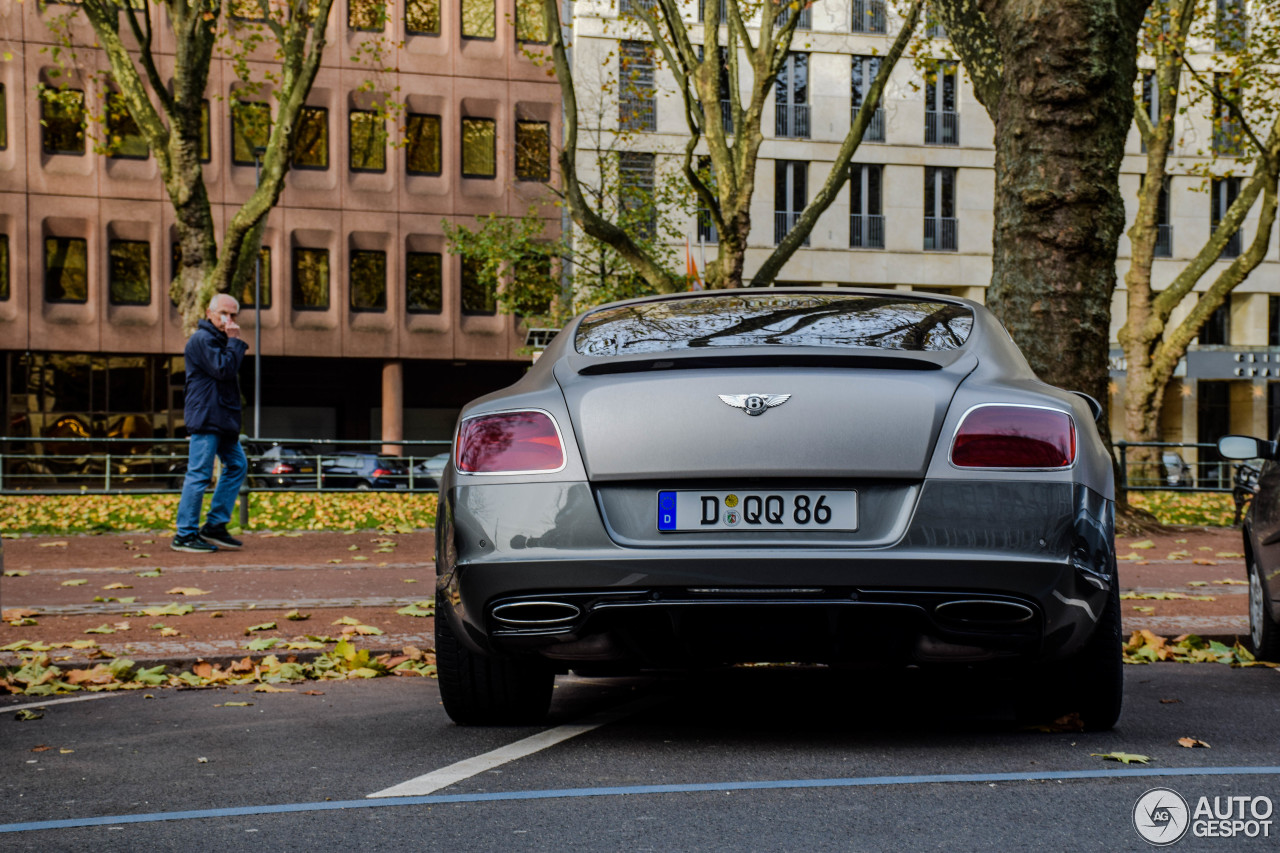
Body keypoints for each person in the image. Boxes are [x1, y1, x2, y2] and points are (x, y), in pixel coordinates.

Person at [172, 293, 250, 553]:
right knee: (199, 475)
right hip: (207, 417)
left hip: (222, 418)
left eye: (233, 315)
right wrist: (235, 342)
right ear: (209, 313)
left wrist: (231, 343)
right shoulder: (202, 339)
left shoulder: (220, 340)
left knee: (237, 464)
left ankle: (215, 525)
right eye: (223, 314)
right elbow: (223, 369)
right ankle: (184, 535)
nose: (229, 319)